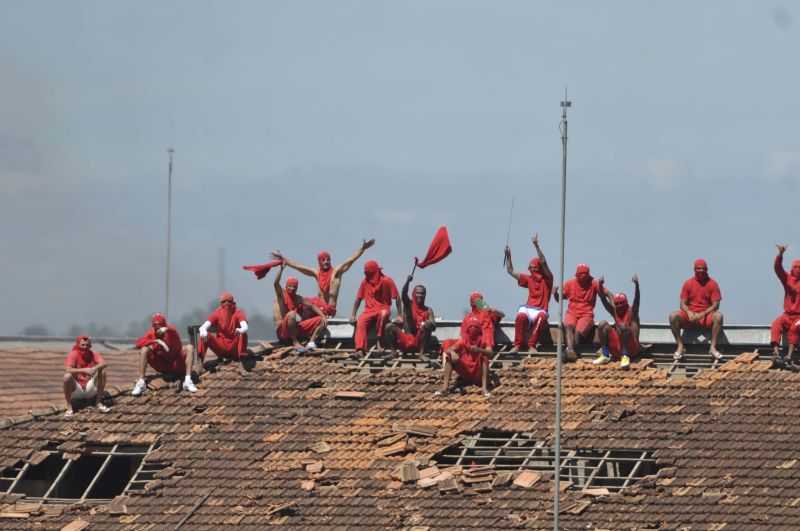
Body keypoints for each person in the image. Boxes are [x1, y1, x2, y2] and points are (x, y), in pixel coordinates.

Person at [270, 239, 375, 317]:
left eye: (328, 259)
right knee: (299, 303)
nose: (326, 261)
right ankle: (295, 329)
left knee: (308, 307)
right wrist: (283, 258)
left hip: (329, 310)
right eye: (323, 260)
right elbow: (298, 266)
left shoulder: (336, 272)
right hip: (318, 307)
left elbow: (351, 260)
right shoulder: (317, 273)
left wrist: (363, 248)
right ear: (319, 262)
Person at [504, 234, 553, 353]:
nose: (531, 269)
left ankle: (532, 345)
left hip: (540, 310)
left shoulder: (548, 279)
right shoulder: (529, 278)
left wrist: (536, 246)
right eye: (530, 267)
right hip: (528, 307)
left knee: (542, 318)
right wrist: (508, 256)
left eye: (534, 267)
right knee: (520, 316)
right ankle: (517, 345)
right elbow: (510, 271)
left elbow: (544, 262)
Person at [668, 259, 724, 360]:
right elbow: (682, 304)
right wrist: (689, 312)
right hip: (691, 316)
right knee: (673, 316)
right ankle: (680, 346)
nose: (701, 270)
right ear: (694, 269)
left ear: (707, 269)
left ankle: (713, 347)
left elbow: (716, 305)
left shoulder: (713, 284)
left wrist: (702, 314)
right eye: (699, 268)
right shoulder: (688, 283)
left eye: (703, 268)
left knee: (718, 316)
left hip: (706, 315)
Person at [132, 313, 197, 396]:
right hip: (163, 366)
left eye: (161, 324)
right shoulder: (151, 333)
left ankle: (187, 381)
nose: (158, 326)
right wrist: (154, 341)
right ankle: (141, 382)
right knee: (144, 350)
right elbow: (138, 343)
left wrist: (166, 329)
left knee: (190, 348)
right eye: (155, 325)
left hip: (177, 364)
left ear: (165, 324)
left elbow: (172, 330)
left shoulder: (171, 331)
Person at [553, 264, 605, 361]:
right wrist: (555, 293)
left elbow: (604, 294)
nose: (583, 276)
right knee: (568, 326)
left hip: (587, 314)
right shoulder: (570, 283)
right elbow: (559, 299)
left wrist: (601, 286)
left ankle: (568, 352)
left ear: (588, 274)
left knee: (577, 333)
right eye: (581, 274)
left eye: (585, 274)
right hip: (572, 311)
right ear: (577, 274)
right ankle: (570, 351)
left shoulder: (594, 284)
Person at [349, 260, 402, 356]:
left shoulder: (387, 280)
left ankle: (379, 340)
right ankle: (360, 349)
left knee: (383, 314)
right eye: (366, 273)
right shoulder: (365, 282)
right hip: (368, 310)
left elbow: (397, 297)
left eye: (370, 273)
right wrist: (353, 315)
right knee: (361, 322)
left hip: (383, 307)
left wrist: (399, 315)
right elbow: (358, 299)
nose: (368, 276)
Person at [273, 263, 327, 352]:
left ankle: (311, 342)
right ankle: (295, 342)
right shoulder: (281, 294)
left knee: (321, 319)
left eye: (294, 287)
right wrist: (281, 269)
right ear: (286, 286)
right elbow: (275, 283)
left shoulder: (298, 298)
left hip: (293, 328)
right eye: (290, 286)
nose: (292, 288)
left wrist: (323, 316)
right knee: (292, 314)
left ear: (297, 288)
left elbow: (312, 306)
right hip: (282, 331)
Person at [436, 317, 492, 398]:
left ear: (479, 329)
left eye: (475, 327)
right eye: (470, 327)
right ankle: (445, 388)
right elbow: (449, 350)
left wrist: (479, 350)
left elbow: (490, 353)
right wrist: (453, 353)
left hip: (478, 372)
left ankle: (484, 389)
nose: (473, 329)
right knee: (449, 357)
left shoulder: (485, 339)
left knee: (485, 357)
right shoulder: (464, 339)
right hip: (465, 370)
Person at [384, 275, 436, 359]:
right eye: (418, 293)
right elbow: (403, 294)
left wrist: (428, 323)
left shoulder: (429, 310)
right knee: (388, 326)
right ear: (414, 294)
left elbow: (434, 326)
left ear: (425, 296)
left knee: (425, 326)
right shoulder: (409, 305)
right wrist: (408, 281)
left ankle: (421, 354)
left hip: (419, 342)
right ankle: (393, 352)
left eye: (422, 293)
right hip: (406, 340)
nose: (420, 295)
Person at [198, 292, 250, 376]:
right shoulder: (217, 313)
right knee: (204, 335)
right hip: (221, 348)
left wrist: (240, 330)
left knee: (243, 335)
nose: (226, 303)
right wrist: (203, 331)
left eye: (229, 301)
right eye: (224, 302)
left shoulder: (238, 313)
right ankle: (200, 364)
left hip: (234, 348)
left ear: (233, 303)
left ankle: (241, 365)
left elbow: (245, 327)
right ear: (221, 304)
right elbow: (202, 327)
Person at [595, 275, 641, 369]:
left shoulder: (632, 312)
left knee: (623, 326)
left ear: (626, 303)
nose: (619, 306)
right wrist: (600, 284)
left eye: (621, 303)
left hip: (632, 348)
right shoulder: (615, 311)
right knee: (602, 324)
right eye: (617, 304)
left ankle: (625, 355)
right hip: (617, 348)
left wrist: (636, 285)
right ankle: (605, 354)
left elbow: (637, 299)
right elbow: (604, 300)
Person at [439, 292, 505, 355]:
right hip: (469, 345)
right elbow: (463, 336)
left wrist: (493, 310)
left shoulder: (488, 313)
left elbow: (502, 315)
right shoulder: (467, 317)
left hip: (485, 344)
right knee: (447, 343)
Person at [63, 336, 110, 418]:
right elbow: (68, 369)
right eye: (83, 345)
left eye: (87, 345)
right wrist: (83, 370)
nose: (85, 347)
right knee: (67, 377)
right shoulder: (73, 354)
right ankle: (69, 408)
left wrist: (93, 368)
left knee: (102, 371)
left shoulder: (93, 353)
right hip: (77, 389)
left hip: (89, 388)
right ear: (78, 345)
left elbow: (104, 363)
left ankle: (98, 403)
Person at [771, 245, 800, 366]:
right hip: (787, 315)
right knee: (776, 324)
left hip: (799, 317)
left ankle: (788, 357)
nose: (797, 269)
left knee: (794, 329)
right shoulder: (787, 278)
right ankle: (776, 352)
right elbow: (778, 268)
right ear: (791, 269)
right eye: (795, 267)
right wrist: (780, 254)